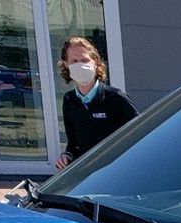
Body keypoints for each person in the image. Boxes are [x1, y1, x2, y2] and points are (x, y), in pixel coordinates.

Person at [54, 37, 135, 169]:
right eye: (74, 61)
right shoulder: (69, 100)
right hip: (86, 173)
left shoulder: (116, 98)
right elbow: (74, 144)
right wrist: (67, 156)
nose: (80, 65)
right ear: (66, 65)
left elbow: (139, 135)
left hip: (117, 169)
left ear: (95, 62)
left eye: (85, 60)